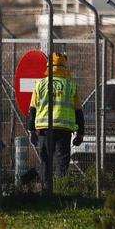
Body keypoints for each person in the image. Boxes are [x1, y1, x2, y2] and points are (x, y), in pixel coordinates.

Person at [27, 52, 84, 183]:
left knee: (45, 160)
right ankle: (60, 189)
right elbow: (78, 111)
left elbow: (32, 109)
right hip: (64, 130)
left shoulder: (40, 84)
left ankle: (46, 191)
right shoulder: (70, 85)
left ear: (48, 66)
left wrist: (31, 130)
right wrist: (80, 133)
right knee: (62, 161)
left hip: (44, 129)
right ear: (64, 67)